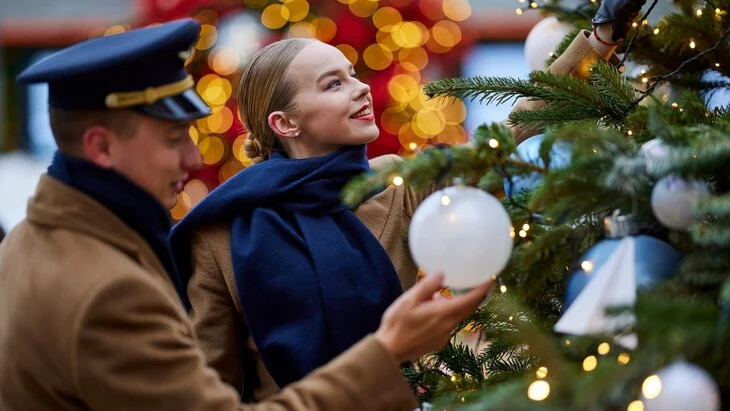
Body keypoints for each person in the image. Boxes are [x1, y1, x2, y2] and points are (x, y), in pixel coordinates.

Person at [0, 18, 494, 411]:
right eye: (174, 141)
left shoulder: (30, 240)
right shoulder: (126, 278)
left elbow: (482, 162)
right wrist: (385, 356)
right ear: (101, 147)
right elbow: (215, 383)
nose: (193, 161)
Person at [169, 0, 647, 401]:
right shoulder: (219, 231)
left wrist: (600, 38)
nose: (360, 90)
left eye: (352, 75)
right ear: (285, 124)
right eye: (333, 84)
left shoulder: (395, 183)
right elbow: (211, 388)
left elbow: (509, 131)